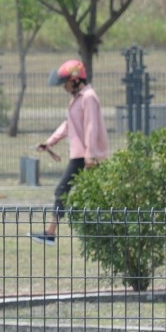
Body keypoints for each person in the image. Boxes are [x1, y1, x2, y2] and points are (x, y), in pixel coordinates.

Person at [30, 59, 109, 245]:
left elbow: (91, 125)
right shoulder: (77, 98)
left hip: (87, 155)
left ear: (75, 80)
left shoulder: (88, 97)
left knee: (63, 190)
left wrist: (90, 153)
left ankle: (50, 233)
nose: (63, 86)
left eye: (65, 82)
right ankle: (102, 231)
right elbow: (69, 125)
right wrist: (49, 142)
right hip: (82, 154)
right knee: (94, 193)